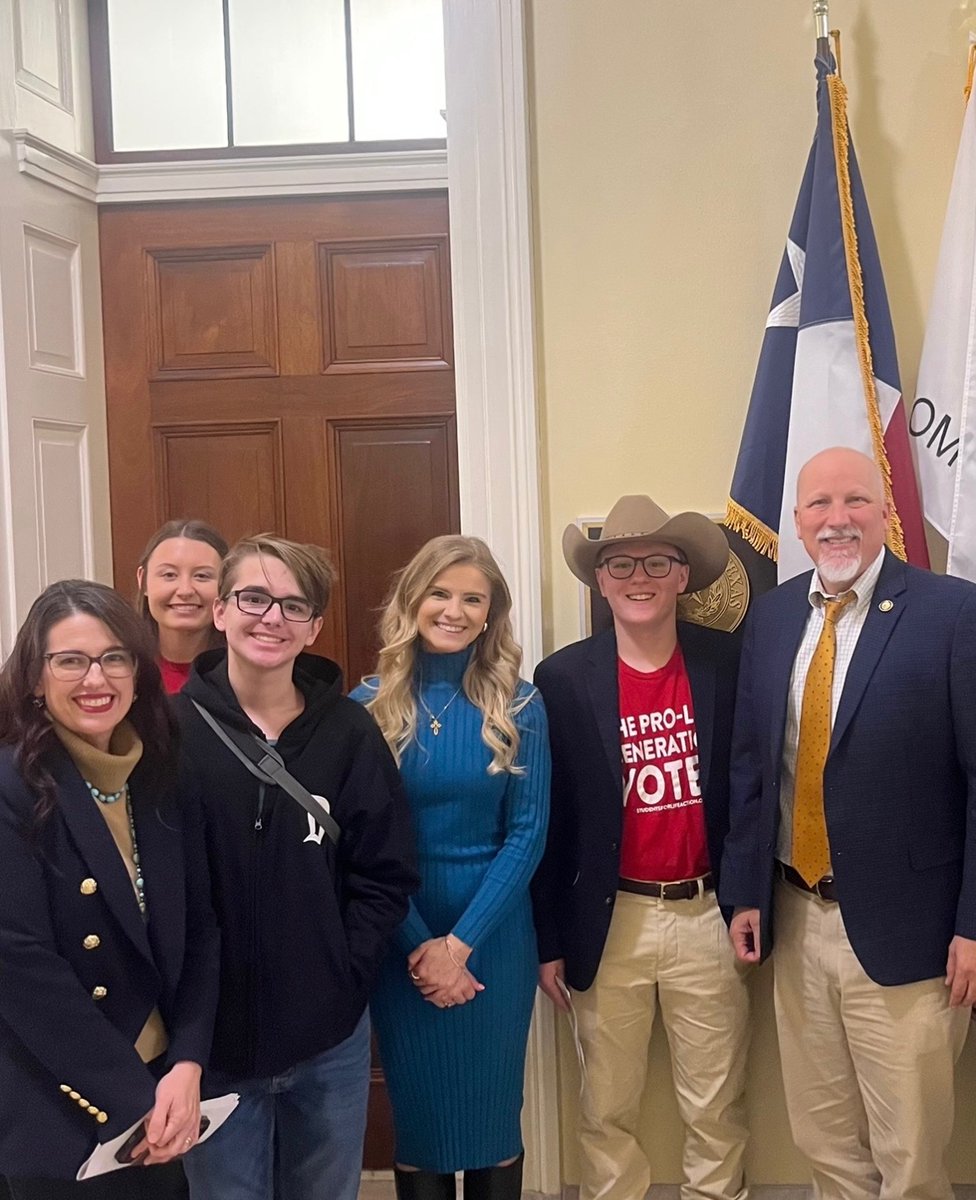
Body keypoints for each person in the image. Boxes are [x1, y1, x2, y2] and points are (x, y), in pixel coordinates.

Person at [721, 446, 976, 1200]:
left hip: (912, 934)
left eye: (855, 501)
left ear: (885, 512)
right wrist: (743, 892)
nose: (838, 520)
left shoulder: (952, 613)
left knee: (911, 1154)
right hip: (795, 917)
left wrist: (973, 922)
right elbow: (750, 767)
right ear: (797, 523)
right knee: (823, 1138)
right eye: (820, 506)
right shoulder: (769, 619)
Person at [173, 534, 418, 1200]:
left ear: (312, 626)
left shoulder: (349, 732)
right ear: (220, 610)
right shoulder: (170, 732)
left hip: (327, 1039)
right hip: (210, 1044)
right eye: (253, 597)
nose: (270, 617)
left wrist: (344, 970)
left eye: (292, 604)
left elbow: (385, 872)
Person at [532, 495, 749, 1200]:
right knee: (607, 1109)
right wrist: (548, 939)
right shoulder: (562, 680)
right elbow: (550, 819)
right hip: (609, 917)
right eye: (620, 563)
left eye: (658, 561)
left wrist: (747, 899)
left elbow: (751, 793)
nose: (639, 576)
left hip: (706, 913)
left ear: (684, 575)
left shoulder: (726, 664)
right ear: (600, 582)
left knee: (715, 1107)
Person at [0, 580, 219, 1199]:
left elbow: (201, 926)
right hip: (62, 1102)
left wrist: (186, 1062)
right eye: (70, 660)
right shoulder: (12, 788)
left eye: (113, 657)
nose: (95, 678)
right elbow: (20, 965)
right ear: (35, 679)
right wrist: (132, 1096)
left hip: (164, 1090)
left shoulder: (159, 775)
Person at [351, 534, 550, 1200]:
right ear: (413, 599)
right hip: (401, 943)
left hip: (493, 945)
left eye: (474, 598)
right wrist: (424, 950)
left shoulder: (520, 704)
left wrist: (459, 947)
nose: (455, 610)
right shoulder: (366, 708)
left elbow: (526, 834)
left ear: (492, 613)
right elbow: (362, 846)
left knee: (494, 1123)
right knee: (423, 1130)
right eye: (440, 593)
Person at [136, 521, 228, 694]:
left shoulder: (245, 674)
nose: (185, 590)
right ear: (143, 580)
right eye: (169, 575)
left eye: (202, 576)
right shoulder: (122, 670)